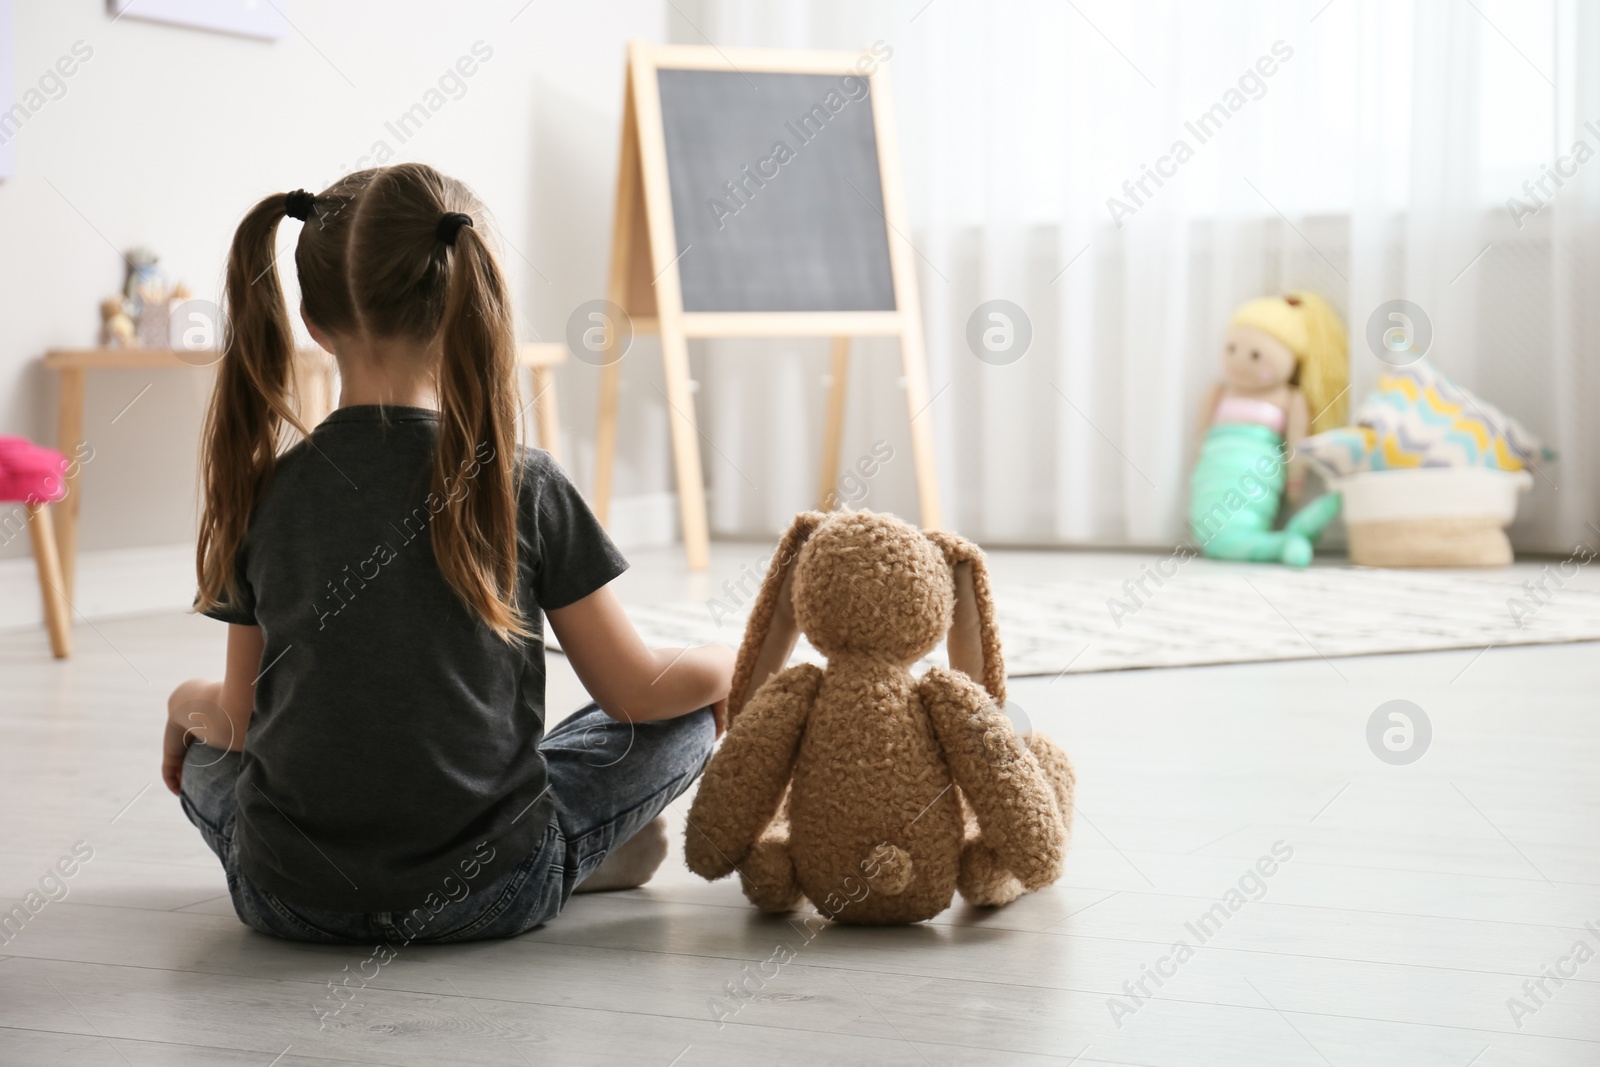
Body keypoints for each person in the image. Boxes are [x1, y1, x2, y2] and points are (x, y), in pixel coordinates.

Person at [162, 163, 732, 944]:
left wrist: (181, 703)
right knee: (686, 715)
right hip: (493, 889)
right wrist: (727, 665)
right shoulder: (523, 483)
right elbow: (634, 693)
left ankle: (579, 848)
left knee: (201, 748)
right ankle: (577, 850)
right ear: (466, 302)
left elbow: (236, 716)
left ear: (312, 320)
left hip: (290, 900)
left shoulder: (263, 491)